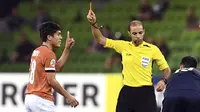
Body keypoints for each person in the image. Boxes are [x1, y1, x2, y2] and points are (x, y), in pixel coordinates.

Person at [87, 9, 171, 112]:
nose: (138, 36)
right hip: (127, 92)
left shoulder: (153, 49)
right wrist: (93, 23)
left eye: (140, 33)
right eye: (134, 33)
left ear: (144, 32)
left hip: (145, 93)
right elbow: (100, 39)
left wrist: (164, 81)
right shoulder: (123, 46)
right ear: (129, 33)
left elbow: (167, 70)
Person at [25, 21, 79, 112]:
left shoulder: (37, 51)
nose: (61, 37)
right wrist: (68, 96)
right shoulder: (49, 53)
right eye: (58, 34)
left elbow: (57, 68)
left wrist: (67, 49)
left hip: (29, 98)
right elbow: (51, 80)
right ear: (49, 37)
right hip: (41, 99)